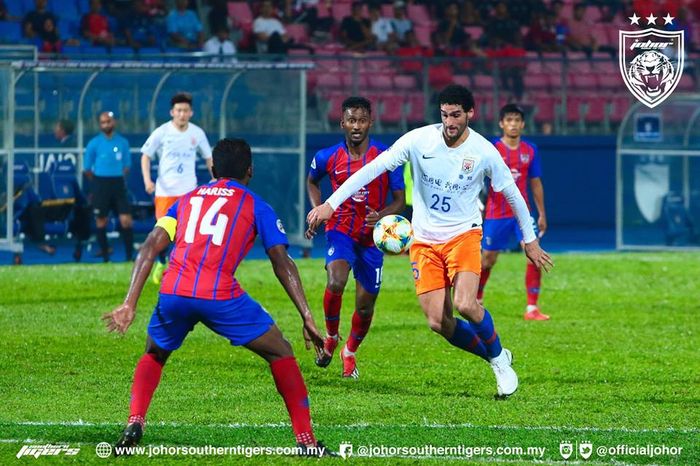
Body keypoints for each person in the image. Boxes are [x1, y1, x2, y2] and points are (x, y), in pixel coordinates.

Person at [307, 85, 553, 398]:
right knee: (439, 322)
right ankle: (497, 354)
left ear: (470, 114)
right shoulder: (418, 139)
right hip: (423, 241)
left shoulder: (483, 151)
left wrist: (529, 241)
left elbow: (513, 194)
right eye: (445, 115)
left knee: (466, 303)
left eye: (456, 115)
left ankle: (499, 364)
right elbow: (371, 170)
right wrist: (330, 203)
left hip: (463, 235)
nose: (450, 121)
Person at [102, 138, 329, 453]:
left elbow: (151, 245)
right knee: (281, 352)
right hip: (219, 295)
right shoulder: (256, 205)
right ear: (250, 170)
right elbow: (281, 262)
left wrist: (130, 303)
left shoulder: (185, 200)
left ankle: (134, 422)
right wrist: (306, 315)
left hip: (174, 291)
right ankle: (307, 442)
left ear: (212, 168)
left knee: (154, 353)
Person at [306, 97, 405, 378]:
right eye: (351, 120)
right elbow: (312, 180)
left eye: (362, 120)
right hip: (341, 229)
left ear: (370, 122)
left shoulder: (387, 157)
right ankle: (331, 335)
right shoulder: (327, 156)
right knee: (336, 280)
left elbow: (400, 200)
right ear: (342, 123)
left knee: (365, 304)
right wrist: (318, 210)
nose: (356, 126)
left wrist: (383, 214)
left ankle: (349, 351)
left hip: (373, 237)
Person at [479, 104, 549, 321]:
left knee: (533, 254)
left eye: (517, 120)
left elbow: (535, 182)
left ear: (523, 124)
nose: (513, 124)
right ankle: (476, 298)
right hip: (495, 212)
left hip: (522, 213)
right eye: (508, 120)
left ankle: (532, 308)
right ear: (501, 123)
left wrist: (542, 213)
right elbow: (478, 178)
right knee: (488, 259)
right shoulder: (492, 148)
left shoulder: (530, 150)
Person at [141, 92, 213, 284]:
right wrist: (148, 181)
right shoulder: (162, 132)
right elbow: (145, 156)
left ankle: (180, 269)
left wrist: (216, 179)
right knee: (163, 233)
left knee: (188, 234)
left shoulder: (197, 133)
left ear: (191, 113)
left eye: (185, 110)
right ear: (172, 112)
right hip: (165, 192)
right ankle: (161, 262)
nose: (182, 114)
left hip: (189, 191)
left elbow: (209, 158)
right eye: (179, 110)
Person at [84, 111, 134, 262]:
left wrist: (116, 175)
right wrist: (98, 181)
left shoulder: (123, 142)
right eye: (102, 122)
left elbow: (127, 166)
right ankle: (106, 258)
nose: (106, 125)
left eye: (108, 122)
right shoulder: (94, 143)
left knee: (126, 220)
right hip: (100, 184)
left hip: (118, 184)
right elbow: (87, 168)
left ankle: (129, 257)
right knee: (101, 220)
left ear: (114, 122)